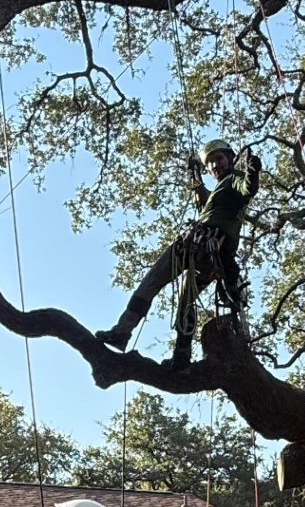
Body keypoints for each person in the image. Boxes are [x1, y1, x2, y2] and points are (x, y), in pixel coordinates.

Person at [95, 138, 261, 368]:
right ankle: (181, 356)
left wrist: (252, 171)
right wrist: (195, 173)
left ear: (230, 158)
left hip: (202, 244)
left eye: (219, 159)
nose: (215, 165)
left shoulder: (235, 180)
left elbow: (248, 189)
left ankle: (122, 332)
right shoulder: (219, 193)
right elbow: (203, 202)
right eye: (210, 163)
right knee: (185, 301)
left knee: (152, 282)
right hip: (210, 255)